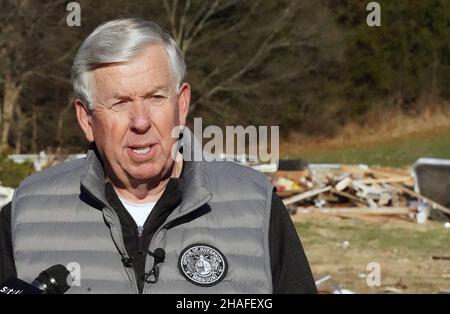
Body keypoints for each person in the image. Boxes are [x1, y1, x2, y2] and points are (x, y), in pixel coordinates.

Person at [0, 18, 317, 294]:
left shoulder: (255, 205)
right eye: (120, 102)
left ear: (181, 105)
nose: (140, 122)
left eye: (155, 97)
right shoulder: (26, 213)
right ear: (86, 119)